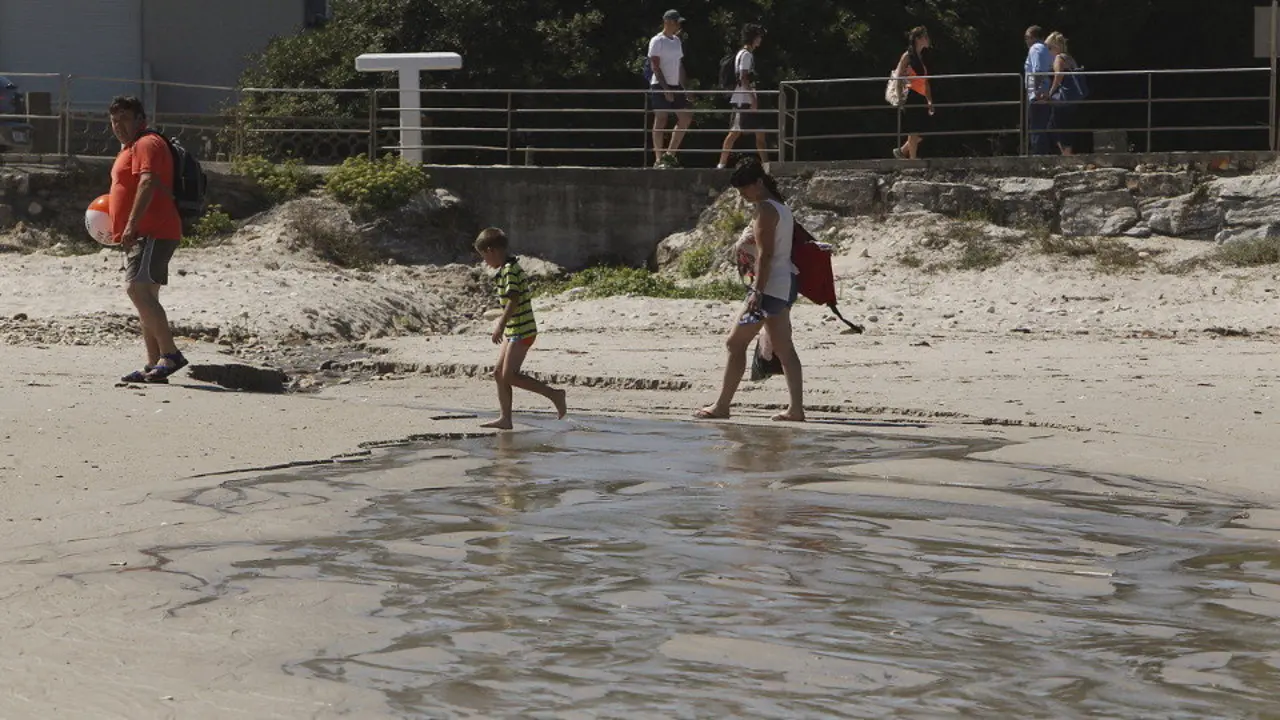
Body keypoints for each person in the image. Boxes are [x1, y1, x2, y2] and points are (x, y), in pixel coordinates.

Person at [695, 158, 804, 423]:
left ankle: (722, 406)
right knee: (784, 348)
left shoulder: (765, 210)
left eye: (745, 188)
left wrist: (757, 291)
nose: (742, 194)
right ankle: (796, 409)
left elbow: (765, 256)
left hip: (768, 288)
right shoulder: (781, 207)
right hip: (783, 284)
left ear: (758, 183)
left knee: (735, 343)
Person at [108, 95, 188, 384]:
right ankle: (154, 364)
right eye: (114, 121)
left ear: (141, 120)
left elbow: (148, 181)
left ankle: (171, 354)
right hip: (143, 234)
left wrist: (131, 224)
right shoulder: (130, 147)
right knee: (146, 297)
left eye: (125, 119)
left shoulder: (146, 143)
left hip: (154, 231)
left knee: (137, 290)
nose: (119, 126)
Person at [474, 227, 567, 430]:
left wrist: (500, 325)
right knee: (498, 373)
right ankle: (505, 419)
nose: (485, 261)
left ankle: (555, 395)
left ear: (491, 250)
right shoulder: (507, 268)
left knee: (509, 375)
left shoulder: (510, 270)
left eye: (484, 256)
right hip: (514, 329)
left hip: (522, 330)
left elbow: (513, 299)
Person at [718, 23, 768, 169]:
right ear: (753, 38)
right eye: (758, 36)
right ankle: (721, 163)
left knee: (759, 133)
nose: (760, 39)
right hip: (743, 100)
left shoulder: (744, 53)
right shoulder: (746, 55)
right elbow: (743, 77)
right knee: (734, 132)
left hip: (746, 99)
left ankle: (766, 165)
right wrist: (753, 98)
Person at [648, 9, 694, 168]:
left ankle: (669, 155)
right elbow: (655, 66)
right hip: (660, 84)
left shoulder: (676, 41)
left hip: (675, 85)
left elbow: (679, 65)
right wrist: (665, 88)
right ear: (667, 22)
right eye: (676, 22)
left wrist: (685, 88)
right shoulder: (657, 40)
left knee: (685, 117)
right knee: (661, 119)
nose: (678, 26)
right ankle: (658, 158)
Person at [893, 26, 934, 160]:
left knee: (922, 131)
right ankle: (913, 159)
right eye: (925, 36)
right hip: (911, 94)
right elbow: (898, 77)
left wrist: (929, 100)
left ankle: (902, 151)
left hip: (920, 95)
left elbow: (925, 82)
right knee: (914, 129)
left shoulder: (921, 58)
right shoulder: (908, 56)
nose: (928, 39)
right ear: (918, 39)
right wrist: (899, 97)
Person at [1046, 31, 1082, 156]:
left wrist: (1050, 92)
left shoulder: (1059, 58)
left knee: (1055, 127)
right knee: (1065, 126)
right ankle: (1067, 153)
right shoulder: (1069, 58)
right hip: (1072, 98)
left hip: (1063, 98)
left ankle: (1066, 155)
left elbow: (1058, 76)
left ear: (1055, 47)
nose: (1048, 51)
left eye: (1049, 48)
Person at [1024, 25, 1055, 155]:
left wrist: (1035, 92)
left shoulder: (1035, 48)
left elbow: (1038, 71)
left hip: (1038, 94)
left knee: (1036, 128)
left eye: (1027, 37)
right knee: (1041, 126)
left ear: (1033, 37)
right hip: (1044, 92)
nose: (1026, 41)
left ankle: (1039, 158)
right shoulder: (1046, 49)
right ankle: (1043, 155)